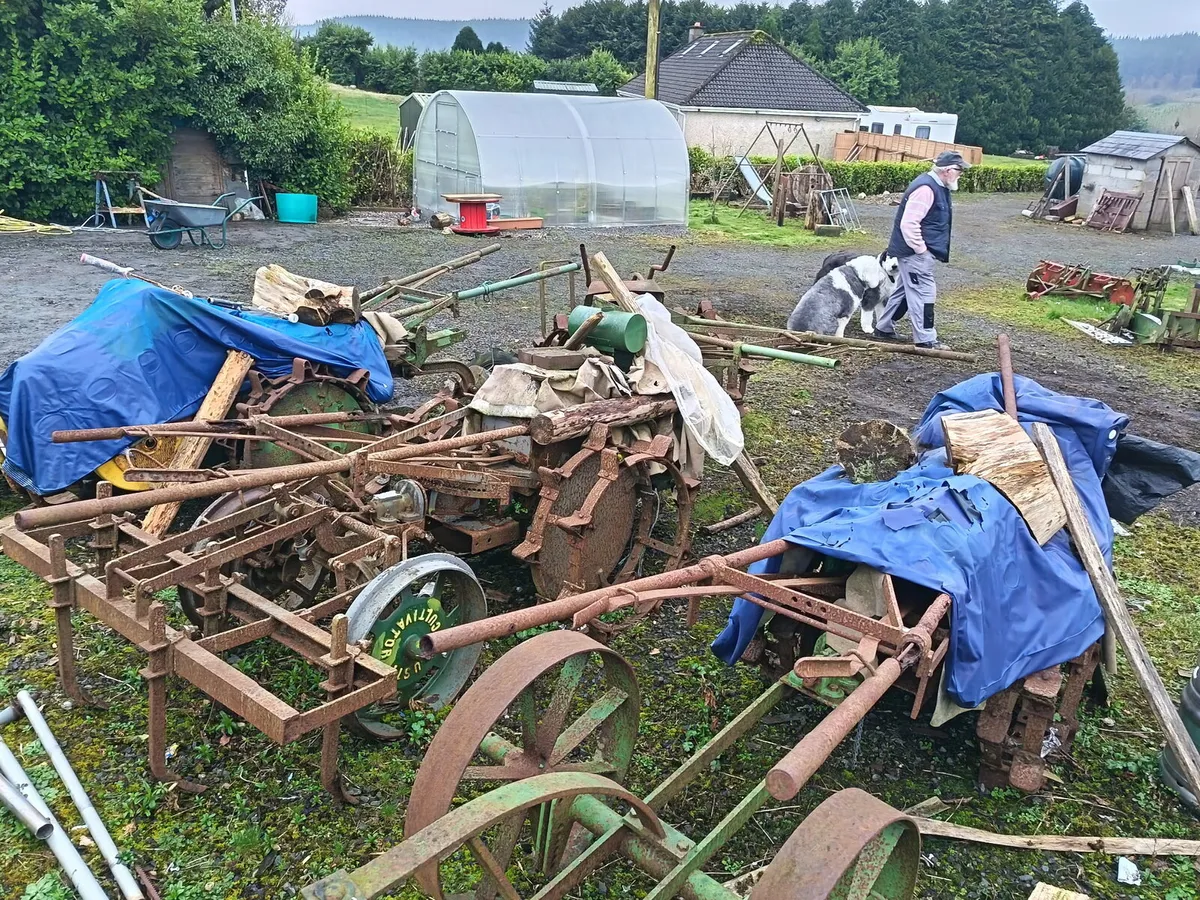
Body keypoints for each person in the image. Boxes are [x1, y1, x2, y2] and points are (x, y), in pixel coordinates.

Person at [873, 151, 970, 350]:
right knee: (924, 293)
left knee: (903, 290)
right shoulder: (926, 189)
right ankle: (926, 339)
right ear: (948, 170)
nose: (961, 174)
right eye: (960, 171)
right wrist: (921, 250)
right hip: (914, 254)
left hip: (912, 253)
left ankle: (884, 327)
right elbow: (909, 224)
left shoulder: (936, 186)